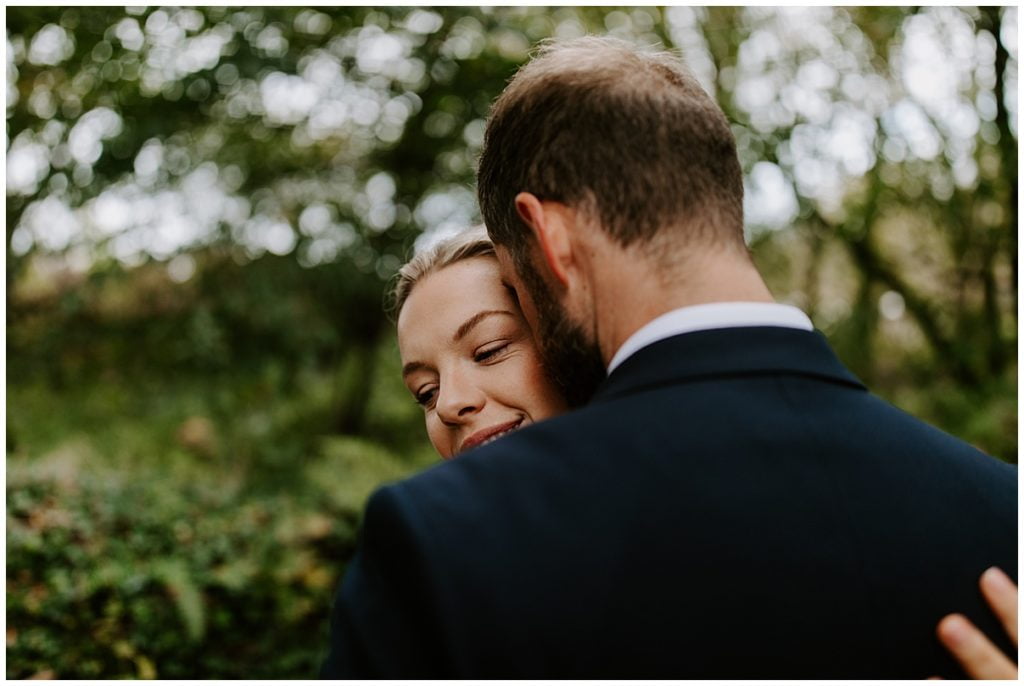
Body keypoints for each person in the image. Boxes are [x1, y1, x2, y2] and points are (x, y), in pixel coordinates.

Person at [321, 37, 1017, 678]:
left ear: (551, 238)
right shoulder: (1003, 510)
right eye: (424, 388)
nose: (451, 400)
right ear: (716, 202)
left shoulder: (445, 547)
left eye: (500, 335)